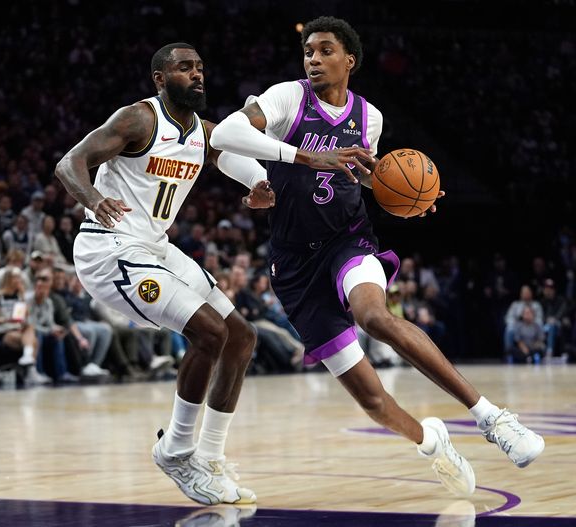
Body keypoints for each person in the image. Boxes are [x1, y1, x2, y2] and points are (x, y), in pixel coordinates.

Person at [210, 15, 544, 496]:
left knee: (374, 316)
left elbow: (362, 176)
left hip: (347, 239)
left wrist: (400, 194)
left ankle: (492, 418)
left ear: (350, 60)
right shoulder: (288, 96)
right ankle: (432, 441)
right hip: (295, 265)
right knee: (371, 398)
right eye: (308, 51)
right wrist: (293, 164)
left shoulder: (370, 117)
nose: (314, 58)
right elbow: (222, 137)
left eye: (325, 50)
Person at [55, 42, 276, 505]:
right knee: (210, 333)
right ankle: (176, 450)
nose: (196, 74)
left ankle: (210, 456)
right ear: (160, 78)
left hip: (155, 247)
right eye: (183, 68)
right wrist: (95, 200)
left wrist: (257, 182)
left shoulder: (199, 130)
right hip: (108, 248)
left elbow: (225, 151)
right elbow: (69, 163)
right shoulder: (138, 119)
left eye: (199, 67)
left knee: (242, 336)